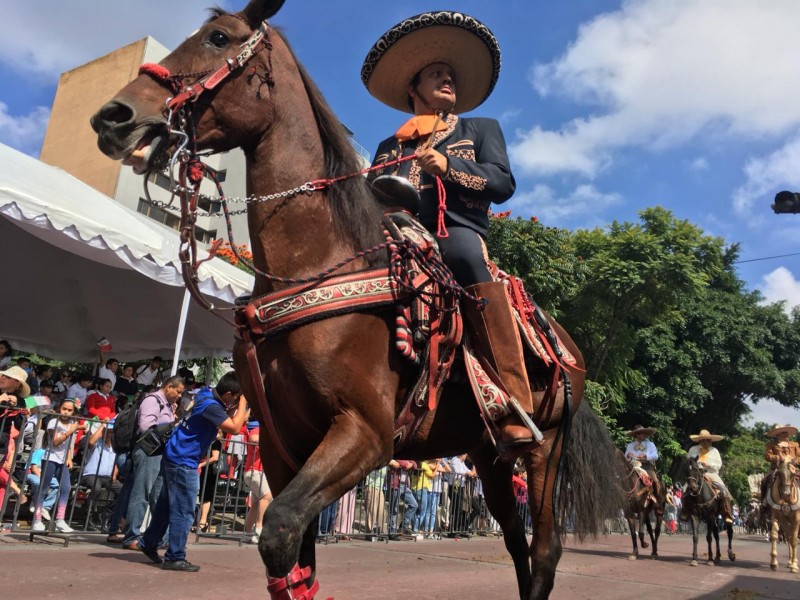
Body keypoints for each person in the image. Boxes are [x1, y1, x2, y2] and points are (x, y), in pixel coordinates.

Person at [362, 11, 535, 450]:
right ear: (412, 88)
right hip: (393, 235)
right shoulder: (390, 145)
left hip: (452, 233)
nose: (447, 79)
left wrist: (449, 166)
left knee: (463, 255)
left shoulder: (480, 128)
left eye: (451, 75)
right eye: (436, 73)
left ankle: (514, 399)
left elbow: (502, 183)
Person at [138, 371, 249, 571]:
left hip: (175, 455)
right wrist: (244, 402)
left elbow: (230, 417)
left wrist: (240, 403)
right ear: (230, 394)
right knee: (184, 510)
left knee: (165, 505)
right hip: (184, 461)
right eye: (237, 397)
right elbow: (234, 427)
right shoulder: (211, 405)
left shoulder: (206, 394)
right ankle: (175, 556)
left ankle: (149, 542)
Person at [121, 376, 185, 551]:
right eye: (178, 391)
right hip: (148, 451)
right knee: (141, 493)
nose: (179, 396)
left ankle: (159, 537)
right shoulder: (152, 400)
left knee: (158, 496)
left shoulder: (168, 405)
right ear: (168, 386)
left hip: (160, 453)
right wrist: (170, 425)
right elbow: (146, 426)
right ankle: (131, 536)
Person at [31, 399, 87, 532]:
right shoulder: (53, 422)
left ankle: (60, 519)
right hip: (50, 458)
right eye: (64, 409)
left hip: (62, 461)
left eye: (69, 410)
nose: (66, 412)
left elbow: (67, 445)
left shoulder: (72, 423)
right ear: (59, 408)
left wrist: (69, 458)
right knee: (44, 488)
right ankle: (37, 519)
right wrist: (70, 431)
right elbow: (55, 442)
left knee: (66, 488)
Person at [686, 429, 734, 524]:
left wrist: (707, 464)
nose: (707, 442)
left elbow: (719, 464)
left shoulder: (714, 450)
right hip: (696, 474)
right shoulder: (693, 449)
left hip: (711, 473)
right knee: (685, 490)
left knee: (724, 490)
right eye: (704, 440)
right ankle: (685, 511)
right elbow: (688, 462)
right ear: (700, 440)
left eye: (708, 440)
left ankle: (727, 512)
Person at [80, 418, 121, 531]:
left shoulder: (115, 447)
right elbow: (91, 442)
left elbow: (117, 462)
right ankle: (88, 518)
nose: (110, 434)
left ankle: (106, 516)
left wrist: (115, 473)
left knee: (122, 491)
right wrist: (103, 425)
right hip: (92, 474)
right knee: (96, 488)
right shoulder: (97, 443)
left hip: (107, 477)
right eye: (108, 431)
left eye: (112, 432)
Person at [242, 423, 272, 544]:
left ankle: (248, 534)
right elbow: (253, 439)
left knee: (255, 504)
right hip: (253, 472)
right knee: (267, 496)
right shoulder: (258, 430)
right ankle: (259, 528)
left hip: (261, 473)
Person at [760, 424, 800, 502]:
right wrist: (778, 458)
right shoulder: (771, 445)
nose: (785, 434)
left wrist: (795, 460)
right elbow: (767, 456)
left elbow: (799, 456)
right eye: (783, 432)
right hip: (777, 469)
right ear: (777, 434)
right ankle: (764, 502)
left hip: (793, 469)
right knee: (764, 481)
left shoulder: (795, 445)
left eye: (786, 432)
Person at [624, 424, 662, 499]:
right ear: (637, 434)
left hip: (646, 466)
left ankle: (658, 502)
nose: (645, 434)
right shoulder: (630, 445)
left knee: (655, 481)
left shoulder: (650, 444)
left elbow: (656, 456)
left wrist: (645, 456)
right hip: (632, 466)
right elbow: (625, 458)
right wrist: (628, 456)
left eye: (645, 433)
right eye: (643, 433)